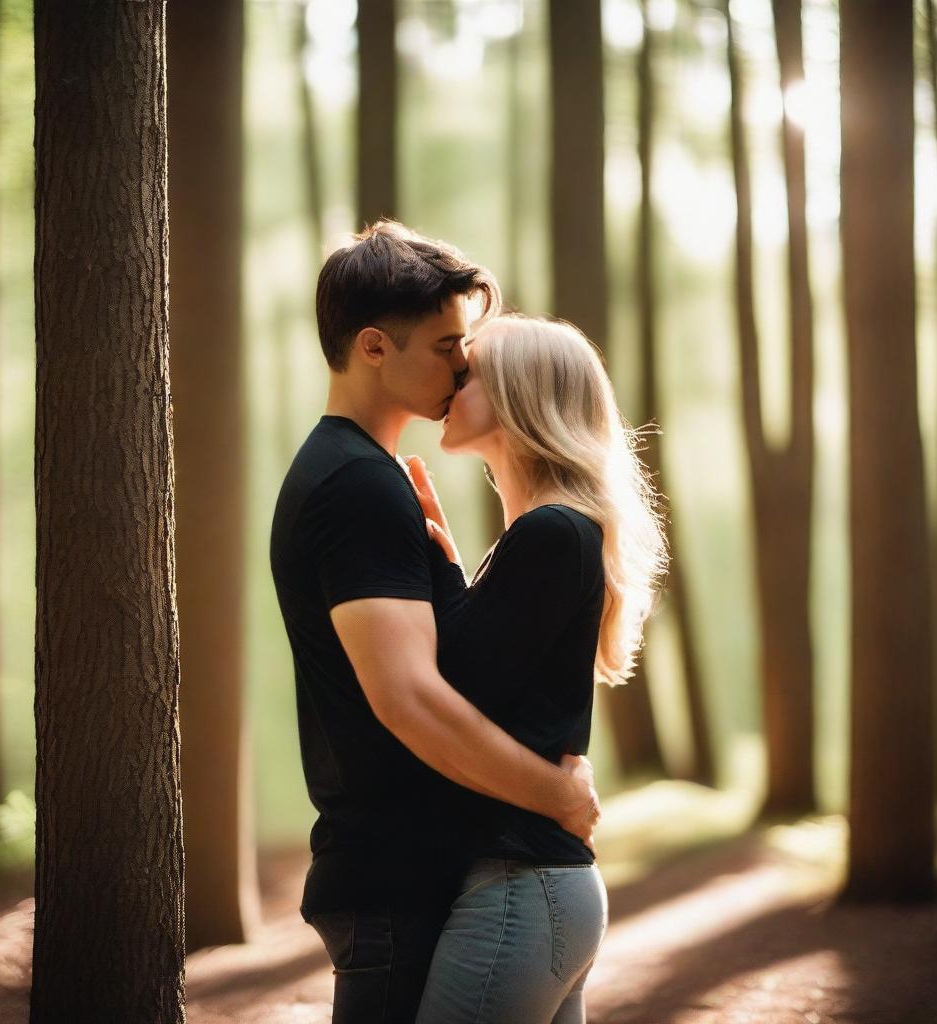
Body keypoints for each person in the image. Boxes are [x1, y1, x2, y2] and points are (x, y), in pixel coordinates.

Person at [269, 222, 601, 1024]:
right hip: (394, 875)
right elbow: (412, 698)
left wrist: (448, 574)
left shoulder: (367, 479)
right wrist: (557, 793)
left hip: (429, 876)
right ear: (376, 348)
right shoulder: (357, 485)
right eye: (450, 345)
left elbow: (447, 675)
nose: (463, 364)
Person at [408, 315, 667, 1024]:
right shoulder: (540, 536)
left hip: (522, 888)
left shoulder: (552, 533)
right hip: (537, 889)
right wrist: (452, 565)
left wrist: (428, 563)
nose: (448, 386)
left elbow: (452, 691)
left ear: (520, 395)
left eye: (467, 375)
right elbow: (486, 669)